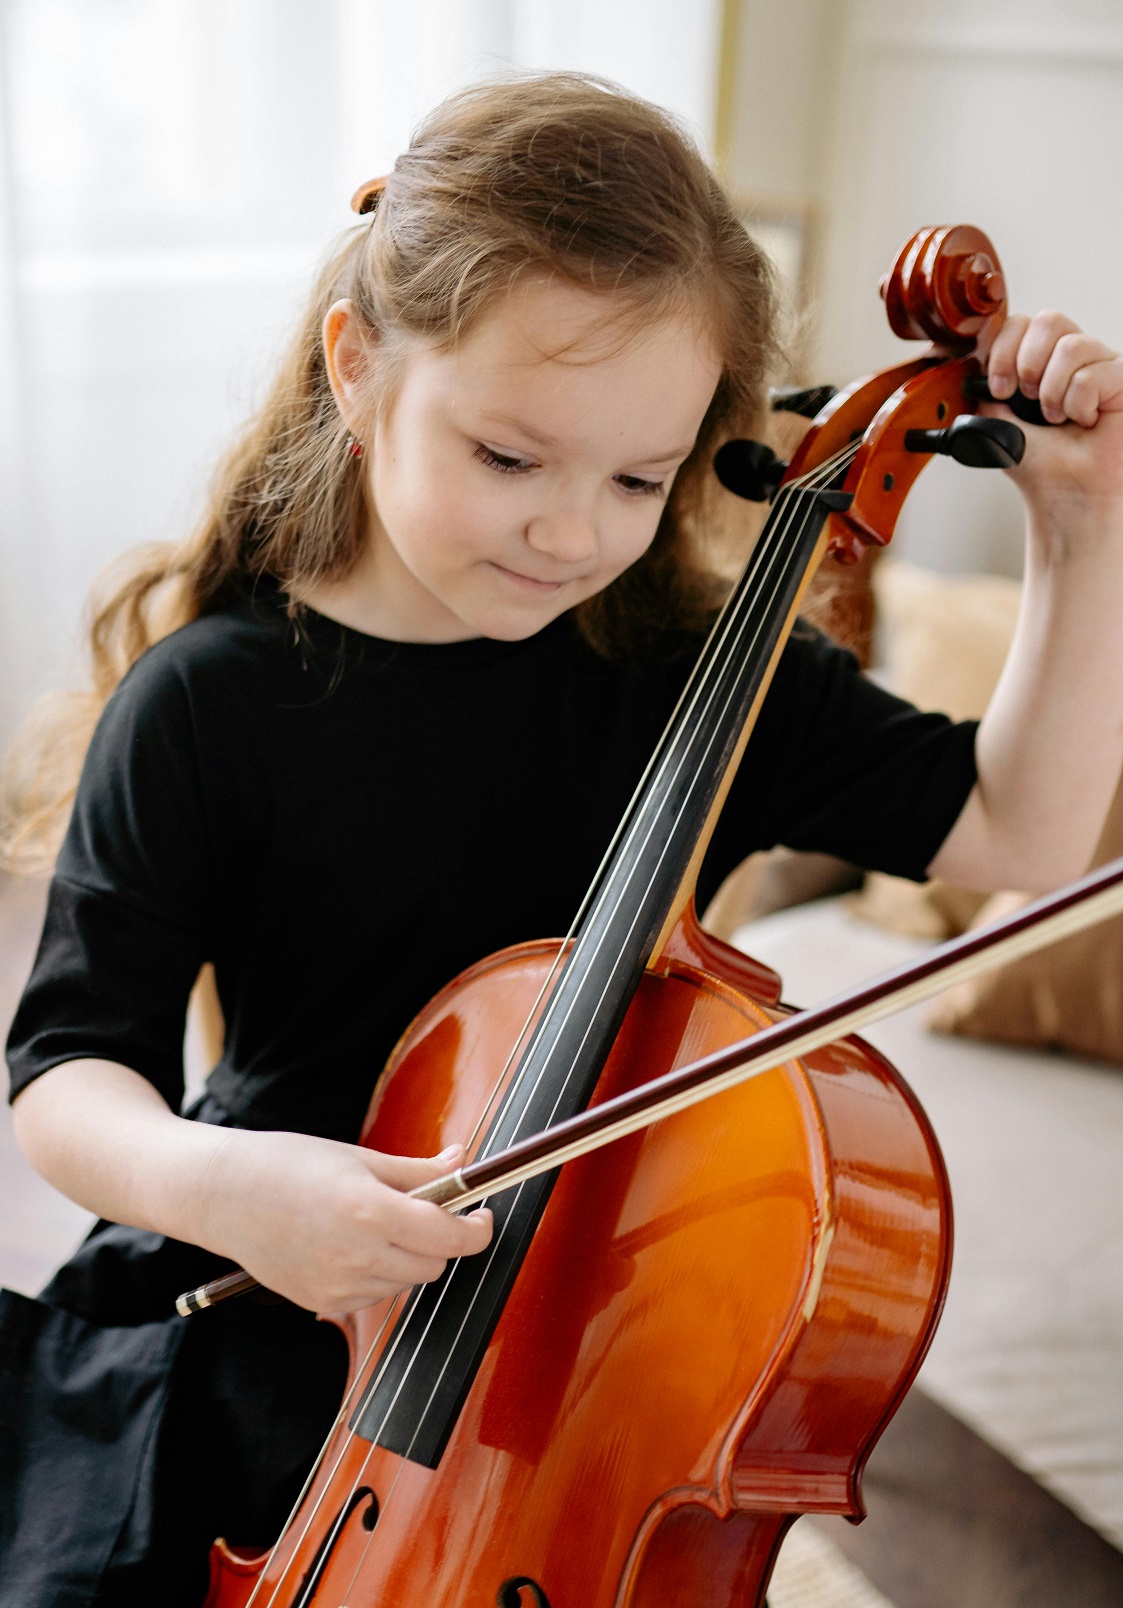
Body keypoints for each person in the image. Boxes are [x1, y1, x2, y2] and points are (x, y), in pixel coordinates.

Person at [2, 70, 1122, 1607]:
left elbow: (1024, 832)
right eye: (510, 458)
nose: (574, 533)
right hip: (271, 1290)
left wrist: (1086, 530)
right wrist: (227, 1185)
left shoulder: (702, 684)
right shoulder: (211, 702)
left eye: (642, 479)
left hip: (589, 1368)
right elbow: (66, 1080)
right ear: (358, 368)